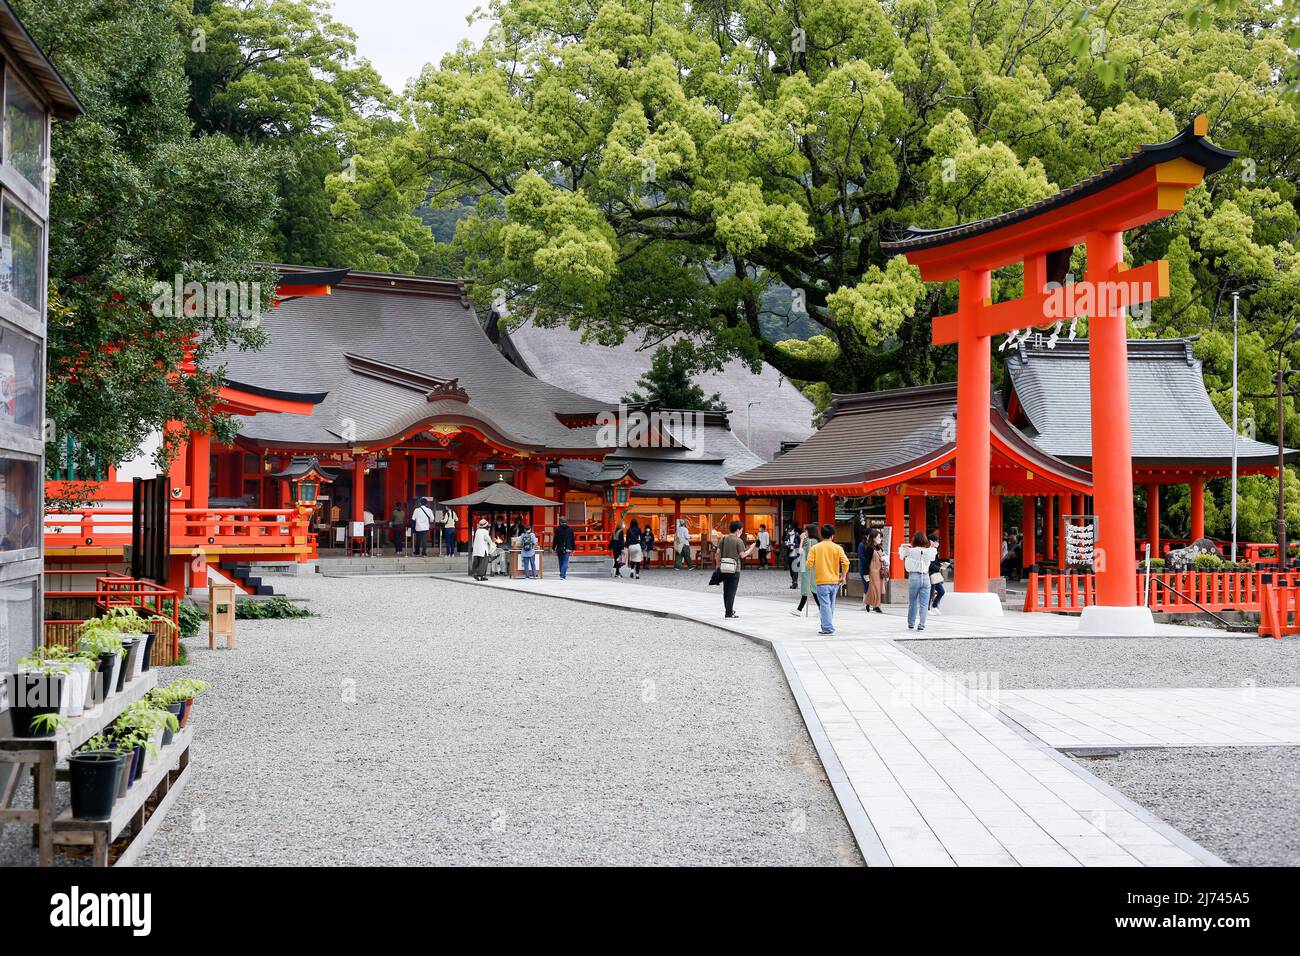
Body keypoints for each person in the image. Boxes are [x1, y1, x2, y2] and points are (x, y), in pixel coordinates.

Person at [808, 524, 849, 635]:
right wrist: (843, 576)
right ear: (832, 536)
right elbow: (846, 563)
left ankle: (827, 627)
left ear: (822, 535)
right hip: (834, 581)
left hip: (822, 581)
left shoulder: (815, 548)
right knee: (831, 604)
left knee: (825, 604)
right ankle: (827, 625)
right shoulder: (838, 548)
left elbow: (809, 564)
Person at [716, 519, 757, 619]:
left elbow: (717, 553)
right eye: (741, 530)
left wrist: (717, 565)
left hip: (724, 568)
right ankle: (729, 613)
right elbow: (742, 555)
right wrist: (751, 548)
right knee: (732, 592)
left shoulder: (723, 538)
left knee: (726, 591)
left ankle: (728, 610)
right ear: (738, 530)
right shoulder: (739, 541)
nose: (741, 532)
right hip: (734, 569)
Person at [899, 531, 938, 631]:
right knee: (924, 603)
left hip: (914, 576)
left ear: (914, 540)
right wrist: (932, 547)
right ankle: (921, 624)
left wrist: (904, 545)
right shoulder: (929, 551)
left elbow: (901, 554)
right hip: (925, 577)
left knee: (913, 601)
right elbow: (933, 555)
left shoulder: (910, 551)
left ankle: (911, 623)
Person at [791, 523, 820, 615]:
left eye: (806, 530)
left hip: (808, 566)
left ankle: (800, 610)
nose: (805, 532)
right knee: (809, 587)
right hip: (808, 566)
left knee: (810, 587)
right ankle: (799, 609)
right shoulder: (815, 541)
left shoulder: (810, 541)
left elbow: (800, 551)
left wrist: (802, 539)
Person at [863, 529, 884, 613]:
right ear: (874, 538)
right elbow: (866, 561)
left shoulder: (879, 547)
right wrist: (866, 573)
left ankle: (873, 604)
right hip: (873, 570)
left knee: (878, 588)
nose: (880, 539)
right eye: (879, 537)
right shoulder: (869, 548)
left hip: (879, 570)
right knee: (874, 588)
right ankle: (874, 605)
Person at [927, 532, 946, 615]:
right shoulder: (928, 551)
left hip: (935, 575)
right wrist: (939, 567)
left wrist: (940, 564)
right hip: (931, 574)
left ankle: (934, 606)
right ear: (931, 542)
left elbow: (935, 562)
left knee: (941, 591)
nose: (938, 543)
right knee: (930, 593)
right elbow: (929, 565)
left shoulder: (935, 551)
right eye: (936, 541)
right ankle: (927, 609)